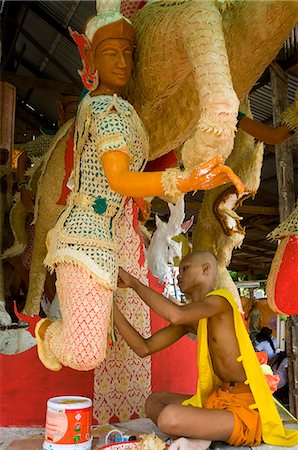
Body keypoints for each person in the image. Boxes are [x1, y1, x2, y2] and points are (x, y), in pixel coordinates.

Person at [34, 0, 245, 373]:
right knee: (86, 355)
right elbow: (118, 179)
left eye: (128, 54)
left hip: (108, 238)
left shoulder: (127, 111)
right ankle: (44, 330)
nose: (121, 62)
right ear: (90, 62)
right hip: (82, 235)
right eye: (110, 53)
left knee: (93, 351)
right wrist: (183, 180)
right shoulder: (103, 111)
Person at [115, 252, 297, 448]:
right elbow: (144, 347)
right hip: (220, 396)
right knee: (154, 401)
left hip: (245, 406)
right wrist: (110, 305)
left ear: (206, 270)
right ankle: (202, 430)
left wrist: (133, 283)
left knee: (168, 418)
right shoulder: (191, 318)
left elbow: (175, 314)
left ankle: (200, 433)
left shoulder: (221, 302)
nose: (178, 275)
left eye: (185, 269)